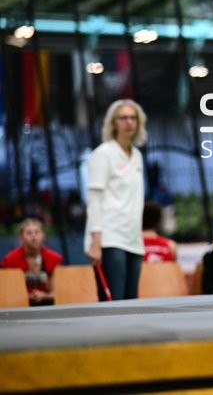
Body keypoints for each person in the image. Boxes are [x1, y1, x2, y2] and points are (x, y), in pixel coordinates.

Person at [84, 99, 147, 301]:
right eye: (123, 118)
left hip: (133, 239)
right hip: (109, 239)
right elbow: (94, 199)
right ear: (113, 123)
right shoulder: (103, 154)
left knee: (131, 303)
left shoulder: (137, 155)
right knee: (114, 303)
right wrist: (95, 242)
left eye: (133, 118)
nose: (129, 122)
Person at [1, 217, 63, 306]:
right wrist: (25, 296)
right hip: (18, 307)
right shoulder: (9, 260)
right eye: (29, 233)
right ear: (21, 237)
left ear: (43, 235)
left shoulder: (54, 258)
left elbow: (60, 291)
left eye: (37, 232)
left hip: (49, 305)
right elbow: (5, 291)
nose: (34, 236)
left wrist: (46, 296)